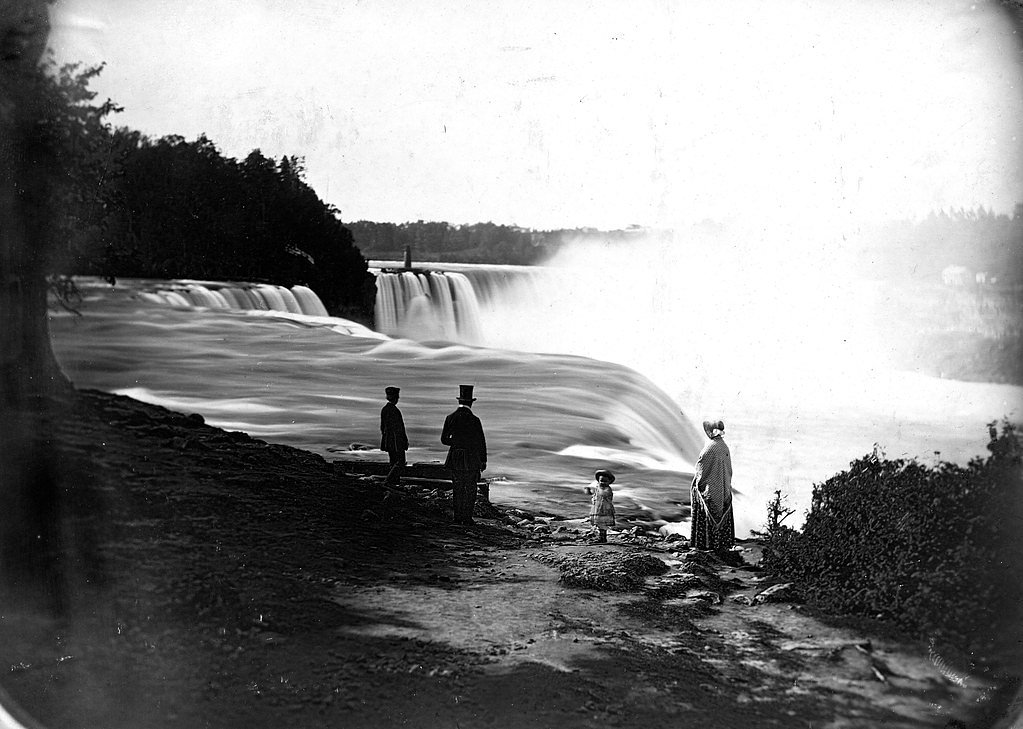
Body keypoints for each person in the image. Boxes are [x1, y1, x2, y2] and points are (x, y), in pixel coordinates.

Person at [441, 384, 487, 525]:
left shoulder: (450, 418)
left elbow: (444, 440)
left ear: (459, 401)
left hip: (455, 458)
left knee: (458, 488)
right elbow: (481, 442)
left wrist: (456, 442)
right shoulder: (475, 420)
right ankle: (467, 518)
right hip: (471, 459)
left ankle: (457, 517)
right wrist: (483, 460)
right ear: (470, 403)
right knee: (470, 489)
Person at [690, 419, 734, 553]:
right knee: (720, 512)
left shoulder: (709, 448)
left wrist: (697, 485)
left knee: (707, 510)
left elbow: (702, 471)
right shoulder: (723, 446)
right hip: (723, 488)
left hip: (711, 489)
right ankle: (721, 544)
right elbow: (728, 470)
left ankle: (707, 545)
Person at [380, 386, 408, 486]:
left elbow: (382, 427)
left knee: (393, 462)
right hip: (396, 441)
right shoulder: (394, 411)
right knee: (400, 462)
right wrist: (402, 442)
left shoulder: (384, 409)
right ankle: (389, 481)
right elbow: (398, 429)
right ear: (396, 398)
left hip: (389, 441)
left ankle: (393, 481)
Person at [586, 469, 617, 543]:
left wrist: (598, 489)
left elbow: (603, 494)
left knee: (603, 523)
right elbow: (595, 495)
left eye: (605, 481)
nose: (603, 483)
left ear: (609, 482)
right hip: (598, 507)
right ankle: (601, 536)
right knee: (599, 523)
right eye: (601, 481)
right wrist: (589, 491)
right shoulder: (598, 487)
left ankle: (603, 538)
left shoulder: (607, 489)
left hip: (605, 508)